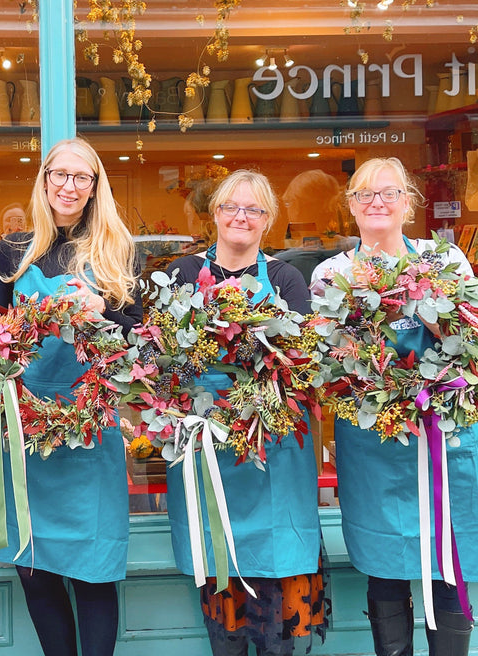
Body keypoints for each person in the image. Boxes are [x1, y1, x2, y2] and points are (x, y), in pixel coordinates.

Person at [310, 157, 478, 656]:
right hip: (373, 438)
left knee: (447, 563)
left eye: (389, 193)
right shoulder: (332, 274)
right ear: (350, 206)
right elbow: (327, 364)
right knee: (386, 564)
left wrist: (433, 309)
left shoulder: (447, 262)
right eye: (365, 194)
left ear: (408, 203)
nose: (376, 203)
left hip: (444, 436)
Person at [0, 137, 142, 656]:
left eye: (82, 177)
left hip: (91, 426)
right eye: (60, 174)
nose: (69, 186)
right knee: (34, 567)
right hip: (27, 428)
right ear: (44, 178)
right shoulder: (13, 249)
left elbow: (143, 338)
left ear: (96, 186)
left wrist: (106, 309)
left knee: (93, 569)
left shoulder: (116, 250)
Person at [164, 169, 329, 656]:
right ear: (214, 213)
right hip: (207, 447)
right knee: (224, 605)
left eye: (253, 209)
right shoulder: (181, 274)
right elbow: (160, 360)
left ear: (267, 220)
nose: (241, 216)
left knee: (277, 591)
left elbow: (305, 361)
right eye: (231, 207)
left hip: (272, 447)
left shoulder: (285, 278)